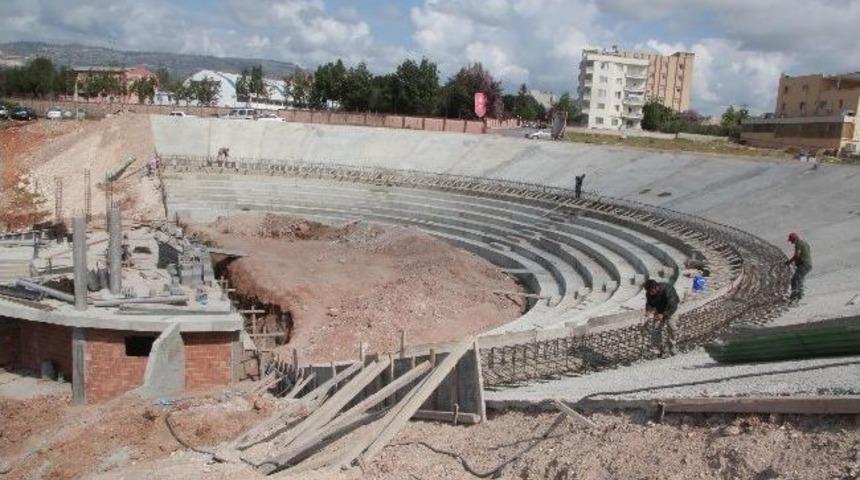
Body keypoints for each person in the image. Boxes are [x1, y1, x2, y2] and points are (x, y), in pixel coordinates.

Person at [644, 278, 679, 356]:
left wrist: (664, 314)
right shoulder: (649, 293)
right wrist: (648, 310)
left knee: (671, 327)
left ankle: (672, 346)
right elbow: (649, 303)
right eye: (648, 292)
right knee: (655, 328)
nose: (650, 293)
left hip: (670, 309)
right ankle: (657, 349)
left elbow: (673, 305)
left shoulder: (668, 289)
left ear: (656, 287)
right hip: (660, 309)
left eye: (651, 291)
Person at [785, 232, 812, 303]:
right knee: (800, 279)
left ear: (794, 239)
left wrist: (789, 262)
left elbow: (797, 255)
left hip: (804, 264)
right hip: (808, 264)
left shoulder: (798, 244)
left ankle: (795, 297)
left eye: (791, 241)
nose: (791, 242)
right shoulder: (805, 243)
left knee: (795, 280)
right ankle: (800, 296)